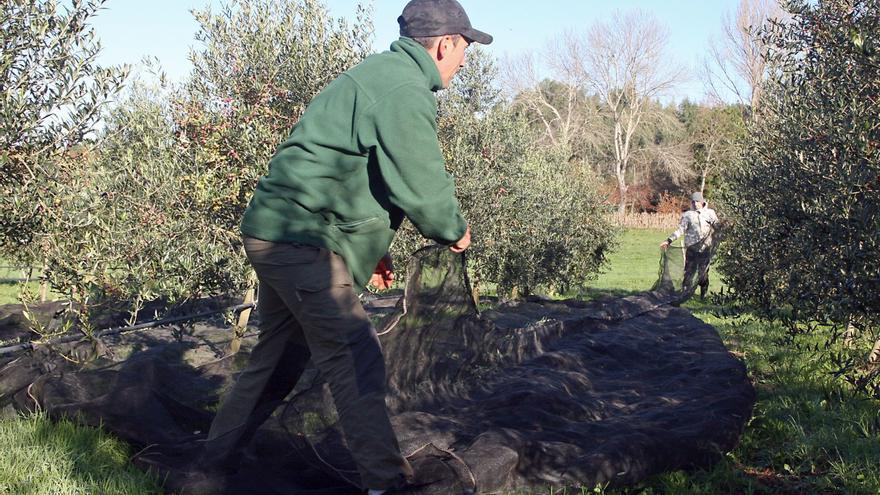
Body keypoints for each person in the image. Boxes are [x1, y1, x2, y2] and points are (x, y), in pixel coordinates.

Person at [191, 1, 493, 494]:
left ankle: (212, 466)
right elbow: (419, 178)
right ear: (445, 44)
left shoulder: (383, 75)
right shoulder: (404, 89)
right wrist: (451, 228)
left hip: (282, 232)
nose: (464, 61)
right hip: (300, 240)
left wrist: (372, 246)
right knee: (355, 354)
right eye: (465, 50)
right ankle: (385, 483)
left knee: (281, 357)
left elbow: (356, 174)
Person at [660, 192, 719, 300]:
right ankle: (685, 294)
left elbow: (718, 227)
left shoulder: (710, 213)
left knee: (703, 273)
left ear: (702, 202)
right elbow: (680, 230)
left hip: (705, 248)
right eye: (693, 201)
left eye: (697, 201)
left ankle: (703, 295)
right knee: (689, 273)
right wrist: (668, 241)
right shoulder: (687, 215)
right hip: (691, 248)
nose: (695, 203)